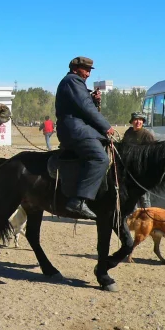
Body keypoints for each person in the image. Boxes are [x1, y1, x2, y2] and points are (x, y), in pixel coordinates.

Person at [55, 56, 115, 220]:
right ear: (75, 69)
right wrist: (106, 126)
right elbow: (86, 109)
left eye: (89, 70)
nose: (88, 74)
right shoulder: (72, 80)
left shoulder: (75, 82)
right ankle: (78, 201)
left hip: (79, 128)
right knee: (100, 159)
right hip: (75, 130)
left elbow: (83, 105)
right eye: (86, 70)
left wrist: (93, 100)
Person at [122, 112, 156, 208]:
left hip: (142, 172)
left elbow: (152, 153)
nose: (138, 122)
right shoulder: (128, 133)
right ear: (132, 122)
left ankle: (148, 218)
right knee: (131, 198)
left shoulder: (147, 135)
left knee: (144, 198)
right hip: (129, 171)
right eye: (136, 120)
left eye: (140, 120)